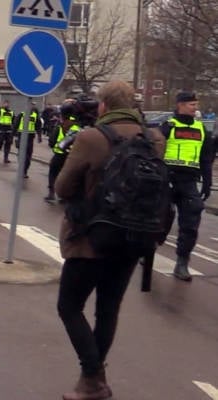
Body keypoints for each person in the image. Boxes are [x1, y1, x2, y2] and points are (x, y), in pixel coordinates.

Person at [54, 80, 165, 400]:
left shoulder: (91, 137)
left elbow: (62, 188)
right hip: (134, 237)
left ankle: (93, 376)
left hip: (90, 237)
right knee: (108, 308)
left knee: (69, 306)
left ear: (103, 106)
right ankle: (92, 378)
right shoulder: (154, 138)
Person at [161, 92, 215, 281]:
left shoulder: (201, 130)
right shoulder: (168, 126)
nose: (195, 107)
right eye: (191, 104)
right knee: (162, 218)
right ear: (180, 105)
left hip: (188, 181)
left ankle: (182, 262)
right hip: (167, 179)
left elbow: (206, 159)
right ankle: (150, 248)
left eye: (195, 104)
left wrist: (207, 183)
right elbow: (157, 151)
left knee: (191, 222)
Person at [45, 115, 81, 203]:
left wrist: (55, 147)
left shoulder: (60, 127)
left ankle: (51, 193)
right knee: (67, 176)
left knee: (53, 173)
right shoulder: (78, 128)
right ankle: (63, 196)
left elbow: (52, 141)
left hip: (59, 155)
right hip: (71, 156)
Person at [21, 104, 42, 179]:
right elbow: (16, 124)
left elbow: (38, 126)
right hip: (22, 137)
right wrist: (14, 136)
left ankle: (24, 171)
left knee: (28, 157)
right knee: (24, 156)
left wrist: (39, 136)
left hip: (30, 138)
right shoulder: (22, 114)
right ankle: (22, 170)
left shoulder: (35, 116)